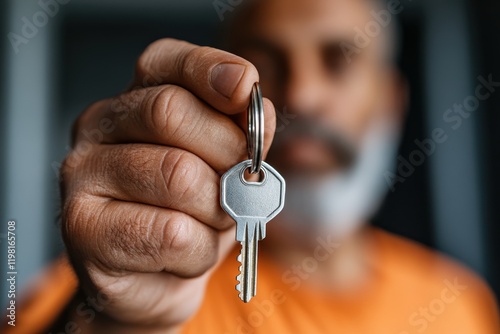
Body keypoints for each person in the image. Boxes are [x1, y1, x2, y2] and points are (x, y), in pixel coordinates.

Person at [6, 0, 499, 333]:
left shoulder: (460, 304)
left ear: (392, 103)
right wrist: (112, 324)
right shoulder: (118, 282)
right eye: (267, 62)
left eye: (339, 60)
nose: (302, 96)